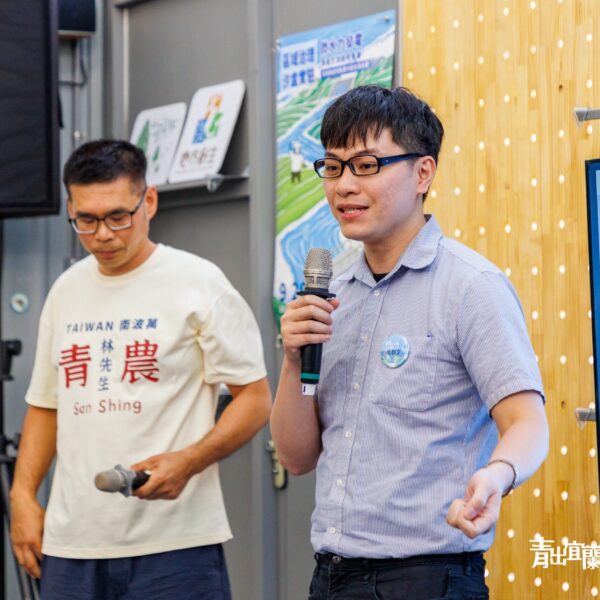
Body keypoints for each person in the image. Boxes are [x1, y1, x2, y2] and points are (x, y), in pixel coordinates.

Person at [271, 85, 548, 600]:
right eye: (332, 167)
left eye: (366, 165)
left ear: (423, 173)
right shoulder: (331, 293)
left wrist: (496, 475)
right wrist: (293, 361)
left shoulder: (470, 286)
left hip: (428, 578)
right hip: (330, 576)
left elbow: (528, 423)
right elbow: (296, 457)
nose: (344, 186)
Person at [10, 140, 272, 599]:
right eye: (86, 220)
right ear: (70, 209)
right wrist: (23, 497)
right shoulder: (65, 290)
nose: (102, 235)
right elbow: (47, 406)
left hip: (176, 543)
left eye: (118, 216)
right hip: (74, 544)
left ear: (148, 201)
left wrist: (189, 462)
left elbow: (255, 399)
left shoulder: (198, 282)